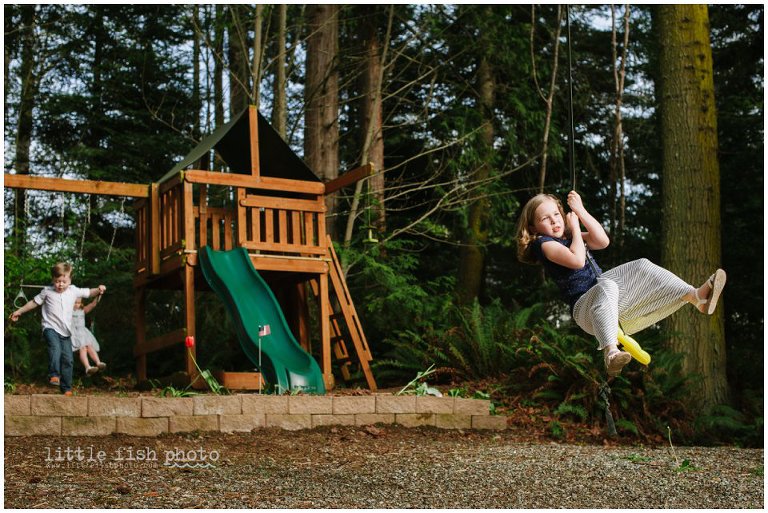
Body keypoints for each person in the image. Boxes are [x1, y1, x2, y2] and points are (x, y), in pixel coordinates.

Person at [516, 190, 726, 377]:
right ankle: (610, 352)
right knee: (606, 286)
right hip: (585, 309)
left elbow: (602, 241)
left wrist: (580, 212)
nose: (554, 221)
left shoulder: (571, 235)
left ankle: (695, 297)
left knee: (642, 266)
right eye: (545, 218)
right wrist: (575, 230)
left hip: (606, 297)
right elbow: (577, 260)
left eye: (556, 214)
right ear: (534, 227)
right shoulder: (543, 245)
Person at [10, 262, 106, 395]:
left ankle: (66, 388)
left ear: (69, 280)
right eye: (57, 281)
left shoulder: (74, 290)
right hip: (50, 328)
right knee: (55, 348)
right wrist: (19, 311)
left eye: (63, 281)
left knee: (68, 359)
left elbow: (89, 292)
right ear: (53, 280)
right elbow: (33, 302)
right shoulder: (47, 292)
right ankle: (54, 374)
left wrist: (99, 289)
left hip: (66, 332)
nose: (60, 284)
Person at [72, 297, 107, 376]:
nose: (77, 305)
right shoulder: (67, 311)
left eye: (78, 303)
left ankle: (98, 363)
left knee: (90, 346)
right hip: (74, 334)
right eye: (75, 302)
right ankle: (87, 367)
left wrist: (100, 294)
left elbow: (93, 304)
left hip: (83, 333)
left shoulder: (82, 310)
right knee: (83, 348)